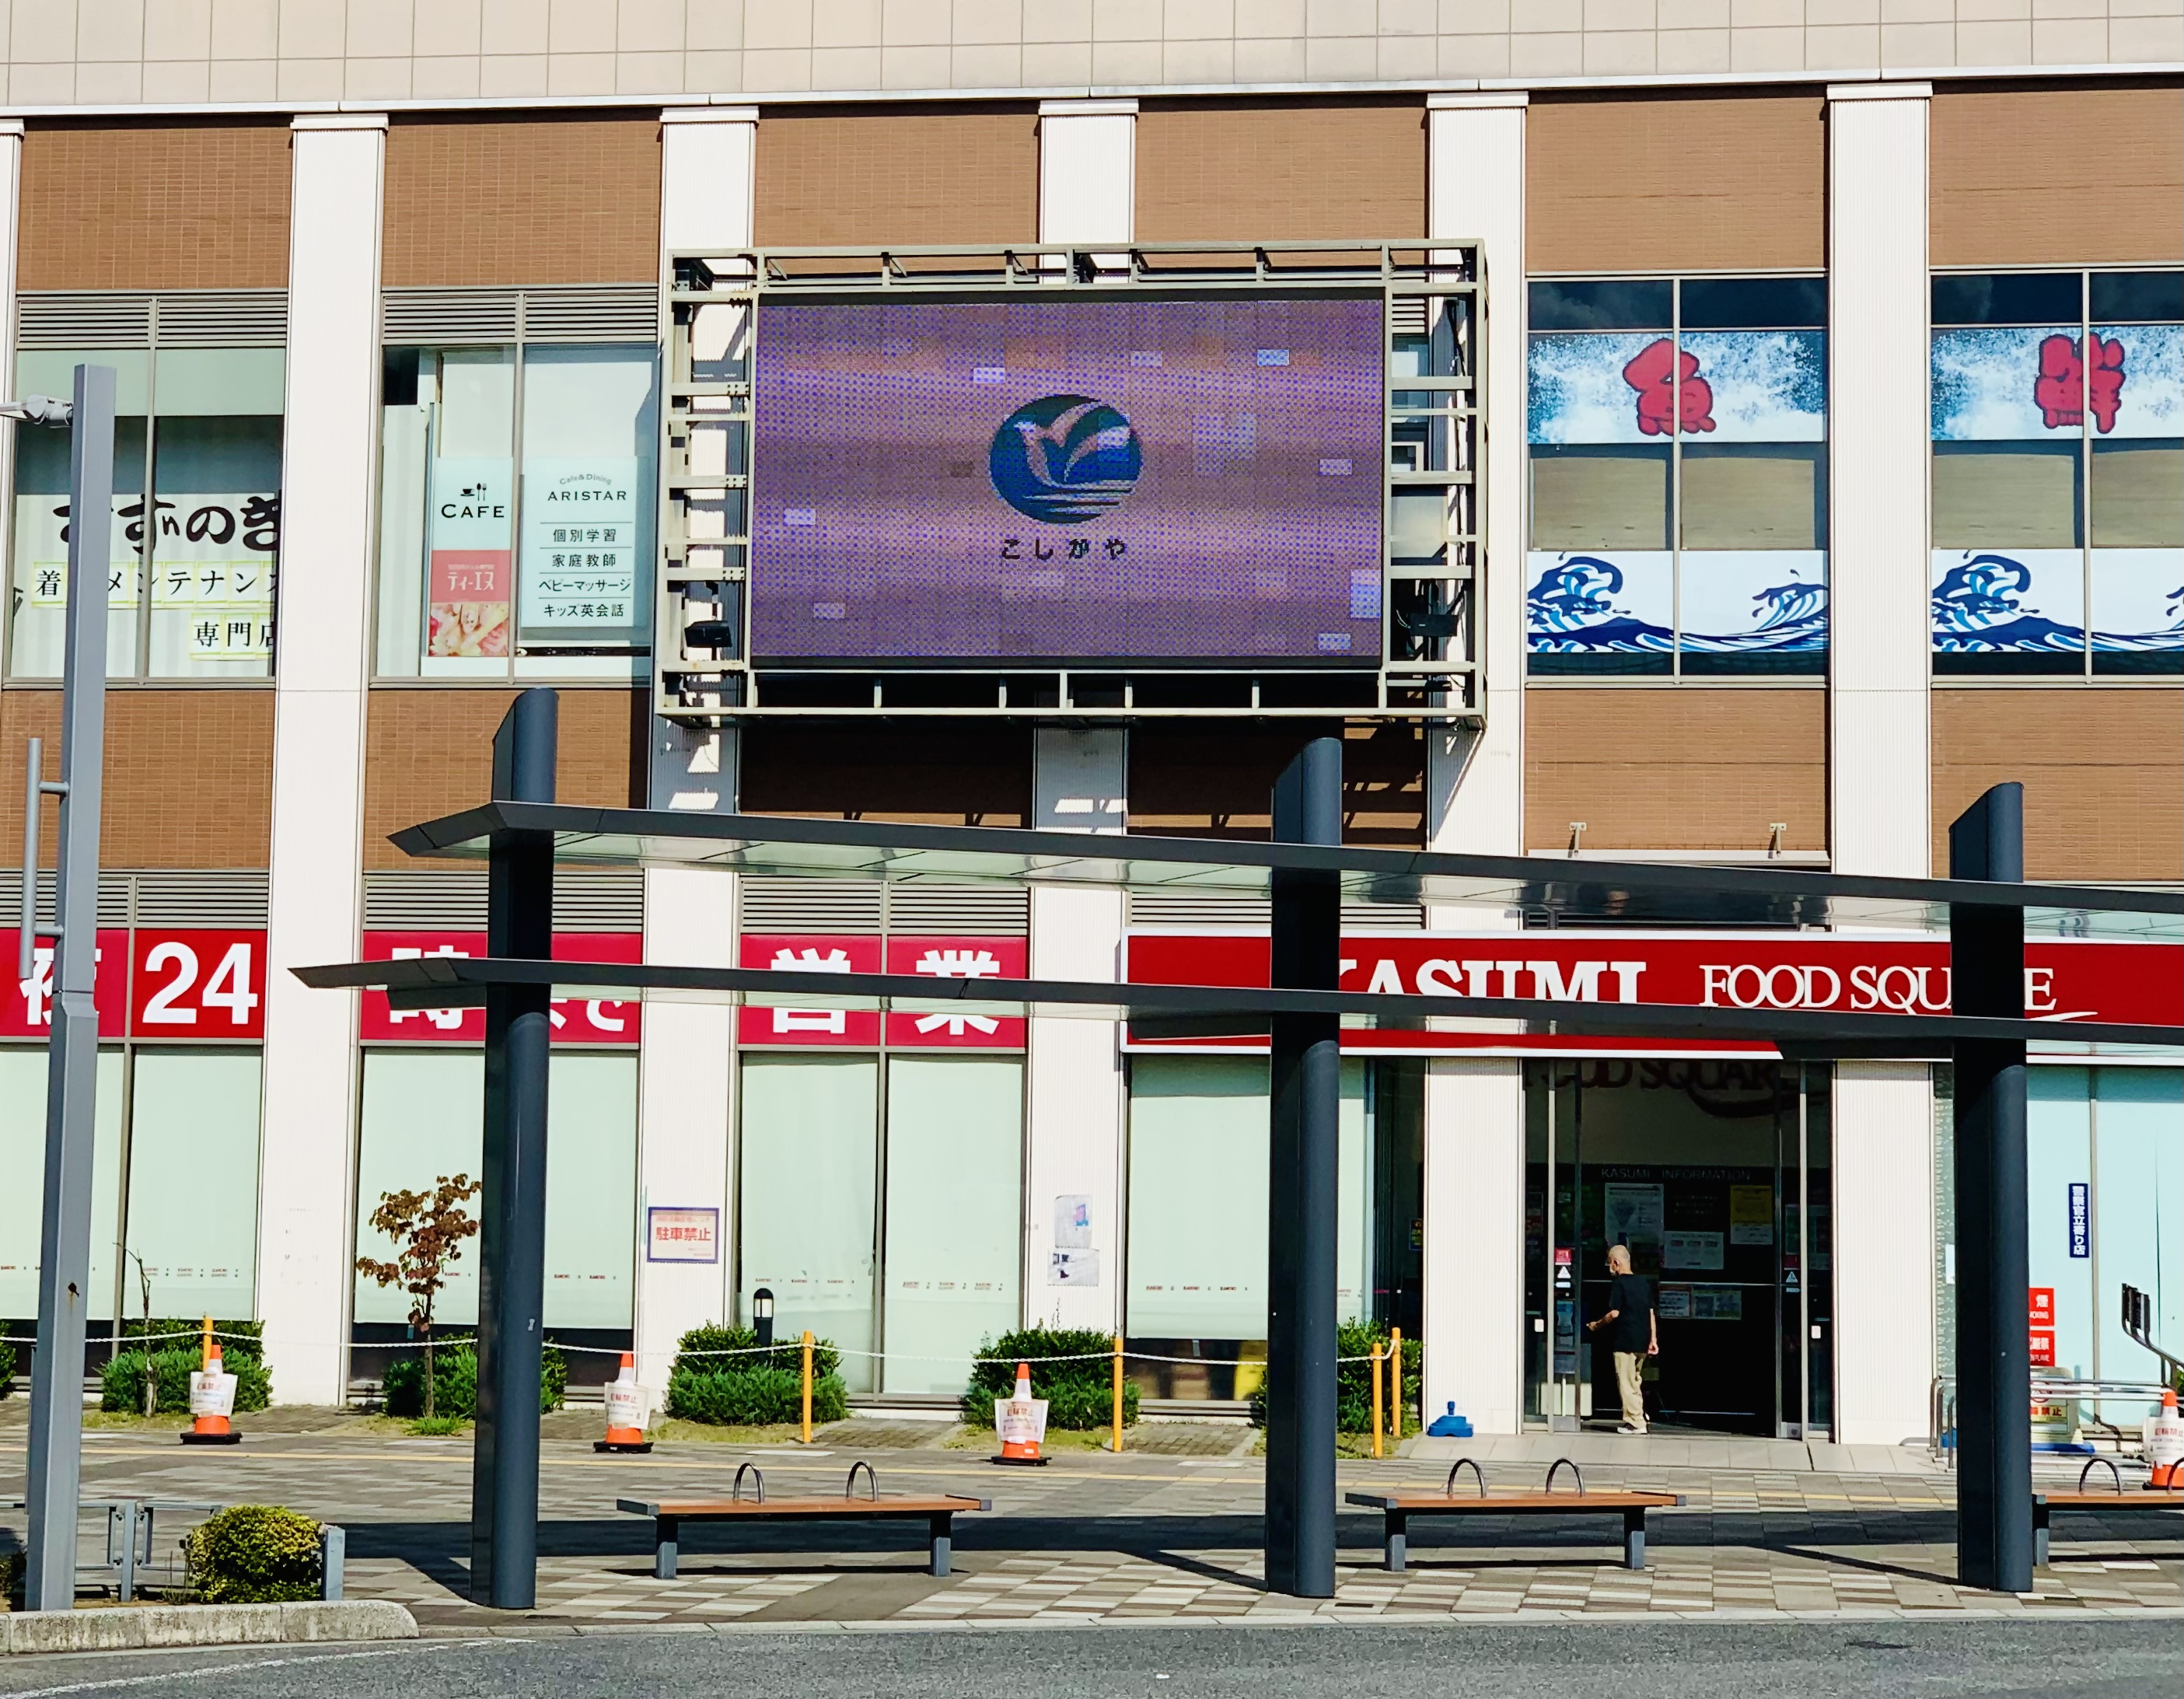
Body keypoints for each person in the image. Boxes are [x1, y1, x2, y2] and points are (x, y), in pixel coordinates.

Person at [1585, 1243, 1658, 1435]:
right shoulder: (1643, 1282)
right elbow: (1651, 1313)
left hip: (1625, 1339)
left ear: (1616, 1263)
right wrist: (1653, 1339)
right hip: (1643, 1339)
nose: (1610, 1268)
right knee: (1635, 1381)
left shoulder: (1619, 1284)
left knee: (1626, 1383)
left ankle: (1636, 1422)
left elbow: (1615, 1313)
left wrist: (1596, 1325)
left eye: (1610, 1264)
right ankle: (1640, 1416)